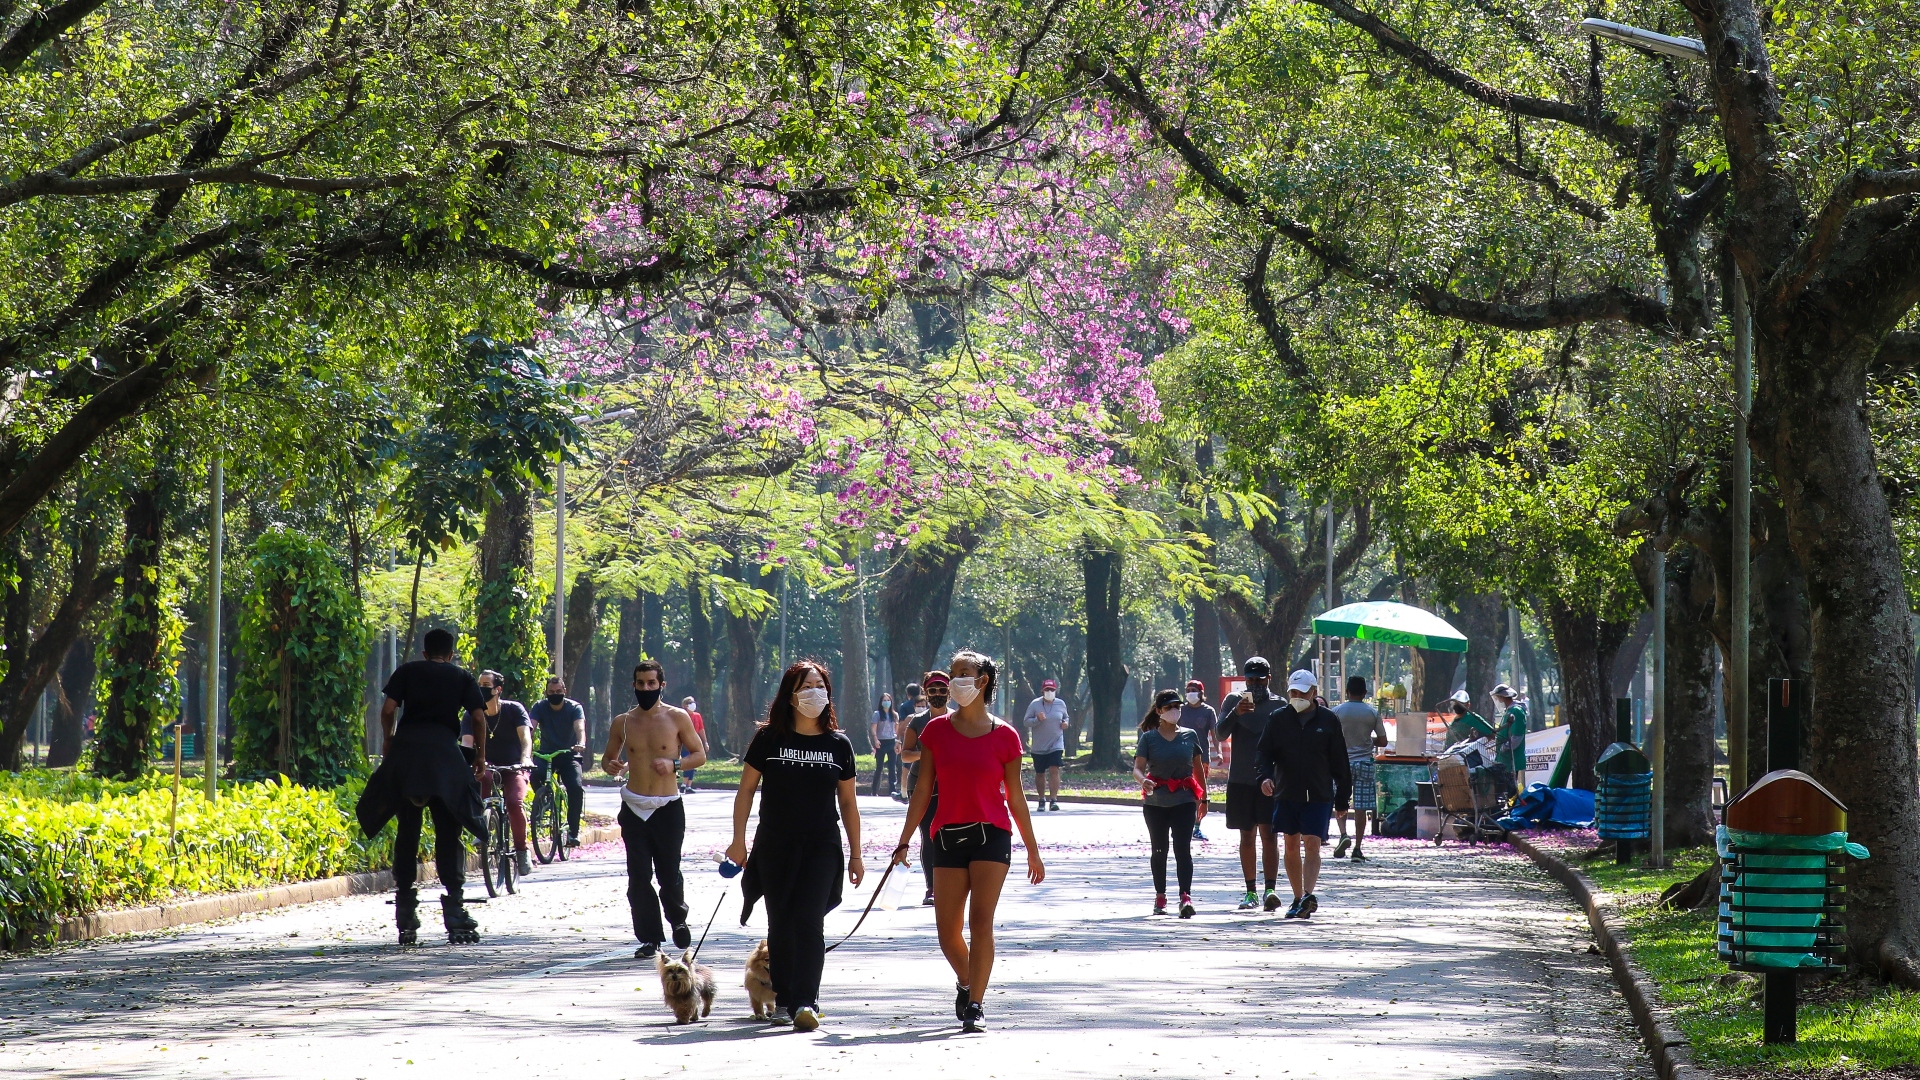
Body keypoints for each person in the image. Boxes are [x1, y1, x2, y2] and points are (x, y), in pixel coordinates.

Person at [892, 650, 1044, 1033]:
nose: (958, 679)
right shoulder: (935, 732)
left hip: (992, 835)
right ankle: (966, 980)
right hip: (945, 835)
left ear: (983, 681)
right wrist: (905, 839)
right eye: (954, 672)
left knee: (981, 923)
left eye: (965, 673)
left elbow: (1016, 796)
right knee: (947, 932)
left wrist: (1033, 850)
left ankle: (976, 1002)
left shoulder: (1005, 735)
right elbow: (923, 789)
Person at [729, 660, 863, 1032]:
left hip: (821, 845)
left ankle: (807, 1001)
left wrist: (856, 853)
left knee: (809, 920)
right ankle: (786, 997)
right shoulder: (769, 739)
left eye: (820, 685)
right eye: (806, 685)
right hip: (775, 845)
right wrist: (738, 840)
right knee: (781, 923)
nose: (814, 692)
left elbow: (849, 802)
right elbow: (745, 792)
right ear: (790, 694)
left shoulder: (839, 745)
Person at [355, 628, 488, 945]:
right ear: (451, 654)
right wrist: (480, 755)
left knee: (408, 831)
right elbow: (479, 718)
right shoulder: (461, 676)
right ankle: (454, 909)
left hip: (408, 757)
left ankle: (406, 910)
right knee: (449, 831)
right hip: (444, 758)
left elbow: (388, 710)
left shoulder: (407, 671)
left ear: (425, 652)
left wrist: (389, 739)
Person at [602, 660, 706, 960]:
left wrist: (674, 764)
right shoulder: (622, 721)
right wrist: (611, 765)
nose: (645, 688)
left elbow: (699, 755)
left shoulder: (678, 717)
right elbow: (608, 759)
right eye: (640, 683)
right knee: (638, 876)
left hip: (667, 807)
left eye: (651, 683)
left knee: (669, 872)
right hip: (634, 806)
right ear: (633, 685)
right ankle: (649, 938)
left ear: (662, 685)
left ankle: (678, 918)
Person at [1256, 669, 1352, 920]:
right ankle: (1297, 897)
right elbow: (1264, 753)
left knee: (1312, 842)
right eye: (1293, 692)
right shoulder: (1278, 719)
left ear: (1314, 693)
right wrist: (1265, 777)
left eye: (1302, 692)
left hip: (1319, 794)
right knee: (1290, 843)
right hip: (1287, 792)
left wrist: (1343, 798)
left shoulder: (1329, 721)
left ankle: (1309, 894)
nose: (1297, 696)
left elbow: (1340, 761)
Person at [1216, 657, 1284, 911]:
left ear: (1269, 678)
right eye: (1250, 679)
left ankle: (1270, 890)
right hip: (1240, 780)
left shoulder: (1279, 705)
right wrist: (1236, 714)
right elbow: (1220, 732)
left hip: (1269, 781)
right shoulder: (1233, 701)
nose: (1255, 684)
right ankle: (1250, 891)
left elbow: (1287, 744)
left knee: (1269, 835)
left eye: (1260, 679)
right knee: (1247, 835)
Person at [1135, 689, 1207, 917]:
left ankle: (1185, 897)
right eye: (1169, 707)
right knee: (1159, 850)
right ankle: (1160, 895)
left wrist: (1203, 798)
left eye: (1177, 706)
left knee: (1183, 849)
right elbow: (1137, 768)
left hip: (1184, 800)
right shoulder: (1149, 738)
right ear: (1159, 711)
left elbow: (1198, 768)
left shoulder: (1190, 736)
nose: (1174, 711)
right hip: (1156, 802)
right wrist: (1143, 780)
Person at [898, 672, 951, 905]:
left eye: (942, 690)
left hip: (952, 786)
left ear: (950, 693)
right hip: (922, 786)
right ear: (925, 693)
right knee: (929, 837)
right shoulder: (917, 722)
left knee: (949, 837)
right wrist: (927, 755)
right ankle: (932, 888)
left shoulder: (959, 720)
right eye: (933, 690)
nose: (937, 694)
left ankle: (951, 886)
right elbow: (906, 755)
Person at [478, 670, 535, 876]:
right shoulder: (473, 712)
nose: (481, 689)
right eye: (479, 684)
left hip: (514, 766)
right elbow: (467, 741)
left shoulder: (514, 709)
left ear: (498, 689)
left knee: (514, 802)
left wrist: (525, 758)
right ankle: (481, 824)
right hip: (488, 765)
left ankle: (521, 850)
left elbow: (525, 738)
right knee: (480, 778)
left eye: (486, 685)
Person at [1330, 675, 1387, 861]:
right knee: (1361, 807)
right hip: (1364, 762)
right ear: (1365, 693)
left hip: (1341, 763)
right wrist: (1368, 741)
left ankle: (1343, 834)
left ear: (1347, 691)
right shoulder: (1372, 713)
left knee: (1341, 801)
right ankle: (1358, 847)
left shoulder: (1337, 711)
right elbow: (1383, 740)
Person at [532, 675, 588, 846]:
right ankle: (544, 802)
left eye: (558, 691)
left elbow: (580, 727)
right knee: (534, 775)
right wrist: (524, 743)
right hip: (546, 754)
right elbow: (531, 727)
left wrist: (580, 743)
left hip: (569, 754)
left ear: (564, 691)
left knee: (575, 787)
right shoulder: (539, 707)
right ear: (546, 692)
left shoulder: (574, 708)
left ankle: (573, 832)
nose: (555, 694)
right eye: (551, 692)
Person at [1177, 679, 1218, 840]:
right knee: (1181, 791)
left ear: (1201, 693)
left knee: (1198, 792)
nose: (1190, 693)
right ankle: (1180, 825)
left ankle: (1196, 826)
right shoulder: (1180, 710)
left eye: (1193, 690)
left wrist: (1219, 752)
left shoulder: (1208, 711)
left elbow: (1214, 734)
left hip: (1202, 758)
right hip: (1181, 756)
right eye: (1188, 690)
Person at [1022, 678, 1070, 812]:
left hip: (1056, 743)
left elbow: (1066, 717)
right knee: (1040, 773)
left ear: (1055, 691)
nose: (1049, 692)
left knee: (1054, 769)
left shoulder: (1061, 704)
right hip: (1039, 746)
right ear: (1042, 691)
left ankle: (1053, 799)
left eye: (1052, 690)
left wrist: (1066, 723)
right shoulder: (1035, 704)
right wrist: (1037, 719)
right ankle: (1042, 799)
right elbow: (1026, 722)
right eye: (1047, 690)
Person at [1491, 684, 1528, 775]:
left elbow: (1517, 736)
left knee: (1511, 786)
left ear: (1502, 697)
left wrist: (1505, 747)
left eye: (1498, 698)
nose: (1498, 701)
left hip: (1512, 758)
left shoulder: (1516, 710)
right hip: (1504, 759)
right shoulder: (1508, 711)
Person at [870, 692, 901, 797]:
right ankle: (874, 790)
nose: (886, 702)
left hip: (892, 742)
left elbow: (897, 731)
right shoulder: (877, 714)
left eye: (888, 700)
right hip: (881, 742)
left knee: (892, 767)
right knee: (879, 767)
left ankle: (892, 789)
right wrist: (875, 739)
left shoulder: (895, 715)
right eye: (884, 700)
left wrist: (898, 742)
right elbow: (873, 728)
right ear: (881, 702)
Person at [679, 697, 706, 792]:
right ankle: (683, 784)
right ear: (685, 705)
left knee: (693, 763)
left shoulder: (697, 716)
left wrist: (705, 742)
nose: (692, 704)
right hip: (684, 743)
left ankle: (688, 786)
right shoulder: (682, 715)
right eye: (690, 703)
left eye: (693, 702)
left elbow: (701, 729)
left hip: (695, 742)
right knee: (688, 762)